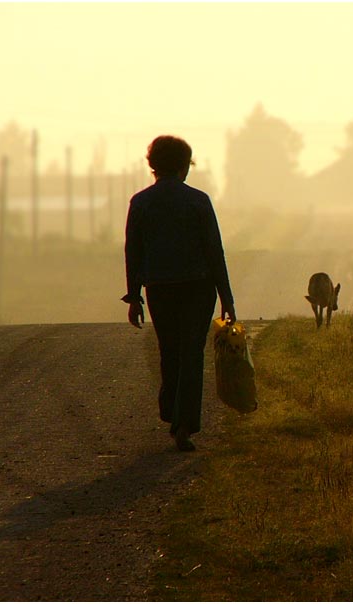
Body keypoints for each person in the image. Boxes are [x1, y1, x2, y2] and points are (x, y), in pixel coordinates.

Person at [122, 135, 236, 452]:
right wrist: (226, 297)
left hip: (159, 289)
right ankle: (184, 423)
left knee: (170, 350)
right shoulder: (198, 201)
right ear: (185, 166)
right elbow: (216, 252)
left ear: (153, 166)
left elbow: (133, 253)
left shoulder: (141, 203)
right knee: (191, 353)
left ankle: (170, 408)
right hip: (199, 288)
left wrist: (134, 297)